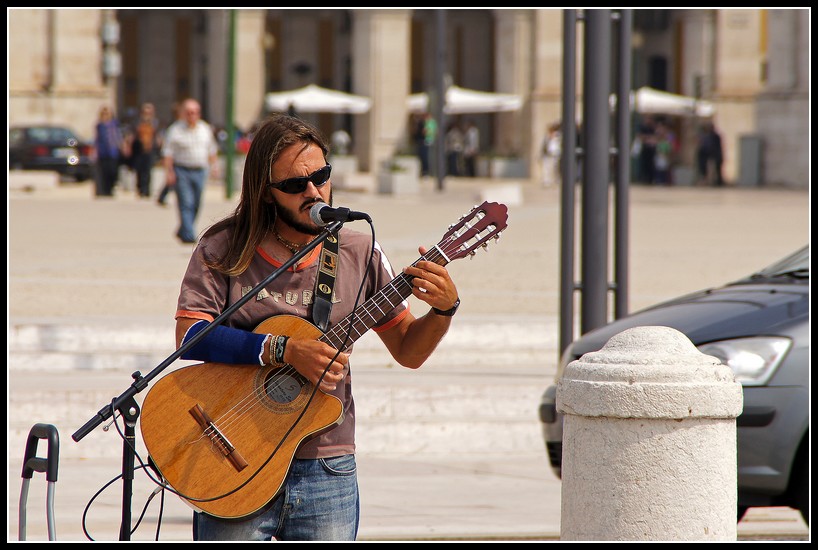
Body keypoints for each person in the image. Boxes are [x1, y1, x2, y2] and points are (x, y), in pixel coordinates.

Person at [174, 113, 460, 541]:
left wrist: (444, 310)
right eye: (294, 185)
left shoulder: (358, 250)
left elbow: (408, 351)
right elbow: (189, 337)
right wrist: (284, 350)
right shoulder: (224, 247)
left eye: (321, 176)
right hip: (233, 452)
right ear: (266, 193)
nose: (313, 192)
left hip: (326, 463)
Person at [161, 98, 219, 243]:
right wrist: (169, 172)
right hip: (182, 170)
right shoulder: (175, 130)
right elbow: (167, 153)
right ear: (183, 113)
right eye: (189, 112)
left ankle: (183, 229)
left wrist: (215, 166)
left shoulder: (205, 129)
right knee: (186, 202)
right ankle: (188, 235)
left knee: (196, 203)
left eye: (195, 112)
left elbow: (211, 150)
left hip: (200, 170)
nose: (192, 115)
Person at [130, 102, 162, 198]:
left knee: (148, 170)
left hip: (150, 149)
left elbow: (158, 136)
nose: (147, 115)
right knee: (139, 170)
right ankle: (140, 189)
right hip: (139, 149)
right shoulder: (137, 123)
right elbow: (132, 135)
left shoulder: (155, 123)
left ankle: (147, 190)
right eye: (145, 112)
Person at [94, 105, 124, 197]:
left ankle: (112, 187)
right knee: (104, 171)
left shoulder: (115, 124)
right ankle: (105, 191)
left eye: (107, 113)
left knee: (113, 171)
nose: (106, 115)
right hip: (103, 151)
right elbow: (97, 139)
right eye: (104, 113)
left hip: (113, 151)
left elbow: (119, 136)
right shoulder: (99, 125)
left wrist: (121, 145)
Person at [697, 121, 724, 187]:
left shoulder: (714, 136)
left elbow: (716, 146)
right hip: (709, 154)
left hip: (715, 154)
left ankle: (718, 182)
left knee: (717, 169)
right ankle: (710, 181)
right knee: (707, 168)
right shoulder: (707, 136)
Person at [541, 122, 562, 187]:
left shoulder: (558, 136)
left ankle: (556, 180)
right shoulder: (547, 136)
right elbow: (543, 145)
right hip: (547, 154)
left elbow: (559, 145)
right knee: (547, 168)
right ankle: (547, 181)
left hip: (555, 154)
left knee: (555, 168)